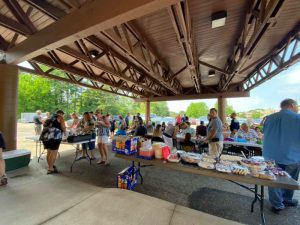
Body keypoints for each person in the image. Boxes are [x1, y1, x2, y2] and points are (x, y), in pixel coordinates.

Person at [263, 99, 300, 214]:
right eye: (297, 106)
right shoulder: (297, 118)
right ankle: (287, 199)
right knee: (291, 179)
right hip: (291, 155)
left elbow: (265, 132)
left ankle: (277, 204)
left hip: (270, 155)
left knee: (273, 180)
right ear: (292, 105)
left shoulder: (269, 118)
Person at [40, 110, 66, 174]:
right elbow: (63, 127)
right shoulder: (61, 117)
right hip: (55, 136)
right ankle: (50, 168)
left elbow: (44, 126)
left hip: (45, 136)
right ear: (61, 114)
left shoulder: (49, 117)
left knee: (49, 152)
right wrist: (65, 131)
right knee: (54, 152)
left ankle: (50, 166)